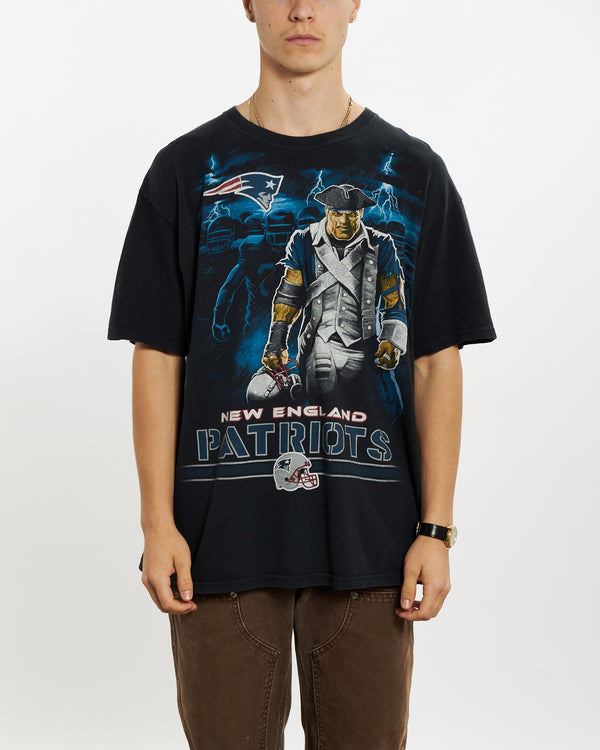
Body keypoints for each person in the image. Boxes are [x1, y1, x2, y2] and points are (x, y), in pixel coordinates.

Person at [107, 1, 496, 748]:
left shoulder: (417, 177)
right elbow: (158, 352)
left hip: (371, 540)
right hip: (219, 538)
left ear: (355, 5)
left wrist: (435, 530)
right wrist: (158, 525)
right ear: (248, 5)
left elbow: (435, 360)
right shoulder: (185, 171)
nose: (302, 8)